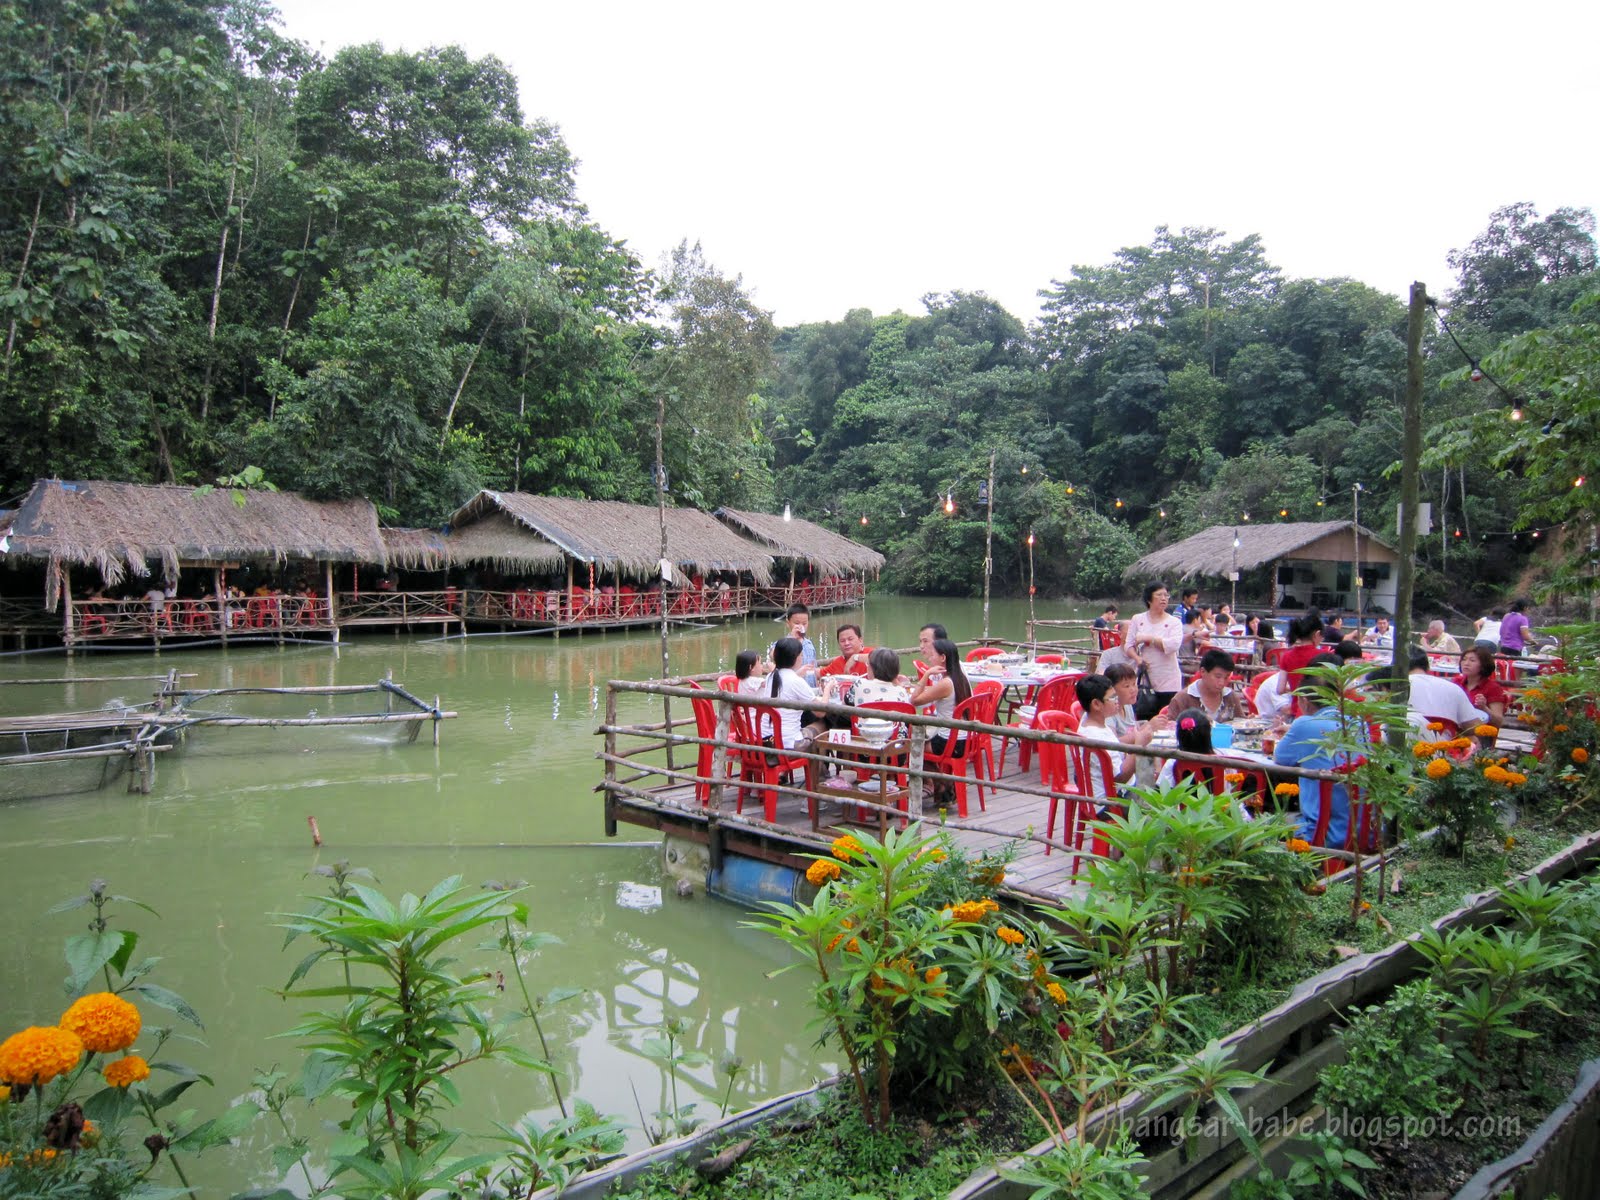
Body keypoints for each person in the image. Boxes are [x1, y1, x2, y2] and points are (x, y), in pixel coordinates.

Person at [1274, 654, 1368, 848]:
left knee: (1265, 819)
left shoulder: (1304, 724)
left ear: (1305, 700)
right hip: (1360, 830)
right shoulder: (1359, 724)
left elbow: (1280, 757)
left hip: (1321, 832)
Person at [1124, 582, 1183, 716]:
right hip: (1145, 677)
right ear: (1149, 599)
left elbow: (1174, 645)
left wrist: (1149, 638)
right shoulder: (1138, 619)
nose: (1164, 598)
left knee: (1166, 717)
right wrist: (1137, 658)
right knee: (1144, 716)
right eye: (1159, 595)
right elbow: (1128, 645)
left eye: (1166, 595)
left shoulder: (1174, 622)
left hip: (1168, 678)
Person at [908, 637, 971, 758]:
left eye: (932, 656)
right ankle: (934, 776)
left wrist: (927, 674)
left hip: (950, 741)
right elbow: (932, 693)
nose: (930, 659)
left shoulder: (946, 683)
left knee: (909, 749)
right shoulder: (959, 677)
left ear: (942, 658)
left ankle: (927, 777)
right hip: (962, 738)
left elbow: (914, 700)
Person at [1073, 674, 1135, 798]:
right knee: (1161, 800)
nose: (1117, 701)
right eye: (1112, 697)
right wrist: (1139, 747)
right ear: (1096, 704)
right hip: (1110, 801)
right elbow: (1120, 778)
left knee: (1153, 780)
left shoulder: (1089, 719)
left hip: (1109, 792)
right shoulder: (1097, 736)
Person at [1407, 647, 1488, 734]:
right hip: (1443, 745)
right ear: (1428, 667)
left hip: (1402, 744)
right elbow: (1475, 726)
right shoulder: (1454, 688)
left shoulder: (1395, 689)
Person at [767, 638, 825, 751]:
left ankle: (821, 768)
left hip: (769, 740)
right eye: (801, 656)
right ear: (795, 658)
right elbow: (821, 712)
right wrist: (827, 689)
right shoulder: (796, 681)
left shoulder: (771, 676)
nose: (802, 658)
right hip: (789, 743)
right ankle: (819, 768)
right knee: (821, 726)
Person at [1166, 648, 1245, 724]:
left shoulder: (1230, 697)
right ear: (1203, 672)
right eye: (1218, 676)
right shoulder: (1183, 699)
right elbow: (1170, 727)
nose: (1222, 682)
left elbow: (1241, 723)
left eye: (1226, 677)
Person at [1275, 611, 1327, 708]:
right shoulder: (1324, 656)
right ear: (1317, 634)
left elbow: (1280, 689)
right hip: (1318, 711)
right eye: (1322, 637)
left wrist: (1297, 689)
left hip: (1296, 710)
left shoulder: (1286, 656)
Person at [1454, 645, 1508, 729]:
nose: (1466, 663)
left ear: (1483, 665)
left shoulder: (1493, 688)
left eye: (1472, 660)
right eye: (1464, 659)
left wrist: (1484, 708)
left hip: (1480, 733)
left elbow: (1499, 722)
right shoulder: (1456, 682)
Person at [770, 604, 818, 683]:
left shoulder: (809, 644)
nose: (800, 626)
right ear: (788, 623)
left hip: (809, 689)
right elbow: (773, 655)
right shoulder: (782, 643)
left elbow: (814, 667)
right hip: (792, 688)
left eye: (804, 623)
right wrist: (792, 637)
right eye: (797, 623)